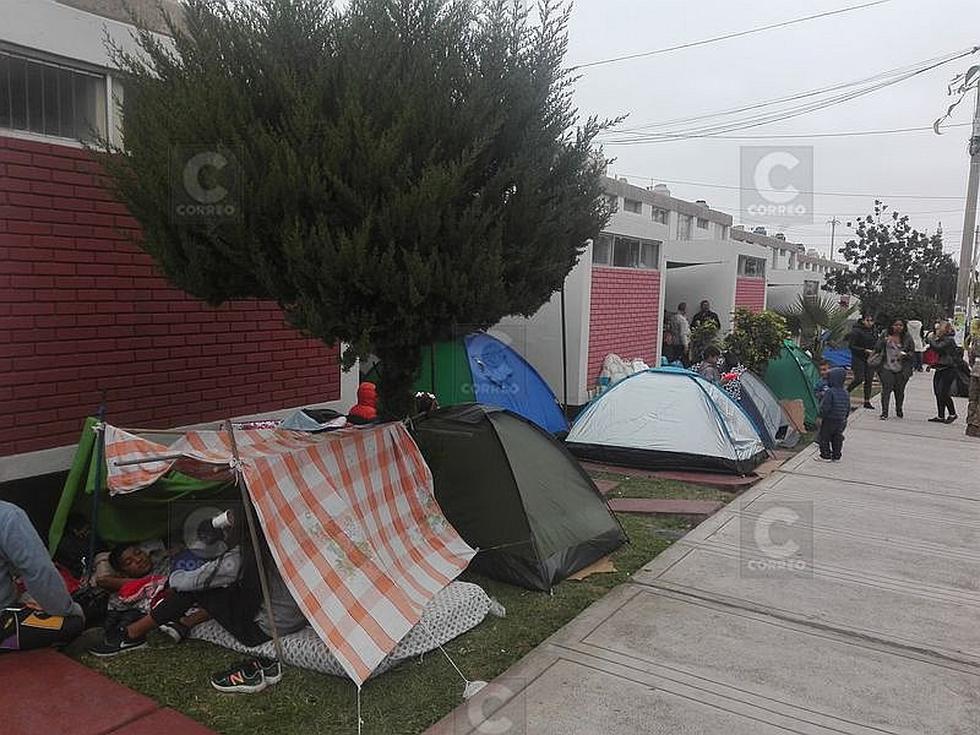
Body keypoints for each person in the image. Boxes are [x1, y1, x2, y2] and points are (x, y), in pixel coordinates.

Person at [0, 500, 84, 650]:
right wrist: (68, 611)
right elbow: (39, 572)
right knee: (73, 622)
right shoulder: (8, 515)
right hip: (3, 620)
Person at [875, 319, 915, 420]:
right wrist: (884, 341)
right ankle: (884, 412)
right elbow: (877, 348)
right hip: (886, 366)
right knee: (886, 390)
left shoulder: (907, 337)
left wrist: (905, 355)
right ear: (891, 326)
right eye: (896, 325)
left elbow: (912, 352)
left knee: (899, 391)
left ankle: (899, 409)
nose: (898, 327)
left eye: (900, 325)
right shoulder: (885, 334)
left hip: (902, 368)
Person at [925, 321, 960, 424]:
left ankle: (952, 413)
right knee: (937, 392)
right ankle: (941, 415)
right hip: (940, 367)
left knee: (943, 392)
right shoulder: (942, 339)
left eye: (939, 328)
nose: (937, 330)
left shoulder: (949, 340)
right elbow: (937, 353)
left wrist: (930, 339)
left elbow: (938, 347)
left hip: (948, 368)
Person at [817, 367, 850, 462]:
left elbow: (825, 406)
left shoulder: (830, 392)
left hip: (829, 418)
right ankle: (837, 455)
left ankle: (825, 455)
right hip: (841, 419)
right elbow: (848, 406)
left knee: (824, 437)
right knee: (837, 437)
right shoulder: (845, 392)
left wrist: (820, 416)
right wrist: (845, 417)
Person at [847, 313, 877, 409]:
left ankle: (867, 401)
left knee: (869, 379)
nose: (870, 323)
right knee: (859, 378)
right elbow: (851, 346)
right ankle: (846, 391)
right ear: (863, 320)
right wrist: (864, 350)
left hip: (870, 358)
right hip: (858, 357)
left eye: (871, 321)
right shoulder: (856, 331)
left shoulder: (873, 331)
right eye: (867, 320)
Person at [967, 319, 980, 438]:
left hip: (975, 370)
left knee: (973, 399)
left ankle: (970, 424)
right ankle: (976, 426)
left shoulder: (976, 338)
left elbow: (970, 355)